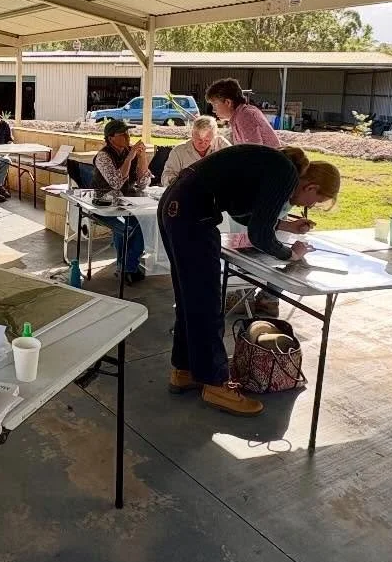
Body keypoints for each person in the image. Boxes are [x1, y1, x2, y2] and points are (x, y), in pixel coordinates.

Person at [158, 146, 339, 416]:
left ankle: (185, 369)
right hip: (193, 214)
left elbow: (243, 214)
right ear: (311, 186)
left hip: (176, 206)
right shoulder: (286, 173)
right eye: (313, 201)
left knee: (190, 298)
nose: (307, 207)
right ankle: (215, 383)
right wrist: (291, 253)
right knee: (206, 303)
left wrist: (285, 226)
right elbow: (258, 234)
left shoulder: (273, 166)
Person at [91, 118, 152, 283]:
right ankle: (128, 267)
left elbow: (143, 183)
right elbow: (116, 184)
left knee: (146, 223)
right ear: (111, 138)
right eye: (123, 134)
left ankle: (126, 267)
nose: (127, 136)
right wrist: (129, 159)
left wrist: (142, 158)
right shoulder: (103, 156)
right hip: (105, 205)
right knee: (127, 228)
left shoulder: (129, 152)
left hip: (128, 203)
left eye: (128, 132)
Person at [206, 78, 280, 148]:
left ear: (228, 102)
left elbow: (254, 153)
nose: (213, 110)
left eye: (214, 105)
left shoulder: (245, 116)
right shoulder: (241, 114)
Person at [161, 114, 229, 185]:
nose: (203, 144)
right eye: (199, 140)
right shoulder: (179, 151)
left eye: (207, 140)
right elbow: (166, 176)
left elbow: (236, 164)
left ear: (214, 136)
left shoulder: (221, 145)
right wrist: (179, 183)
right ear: (192, 135)